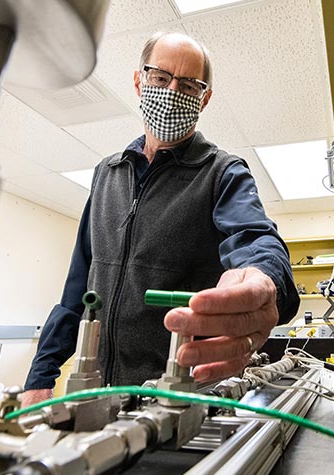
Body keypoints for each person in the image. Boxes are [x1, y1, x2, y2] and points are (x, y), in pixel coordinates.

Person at [22, 31, 299, 408]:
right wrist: (42, 374)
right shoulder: (107, 173)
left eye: (188, 84)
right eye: (160, 78)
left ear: (205, 97)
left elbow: (255, 239)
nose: (171, 92)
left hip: (183, 396)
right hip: (98, 391)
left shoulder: (222, 172)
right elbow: (77, 288)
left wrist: (266, 278)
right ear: (140, 81)